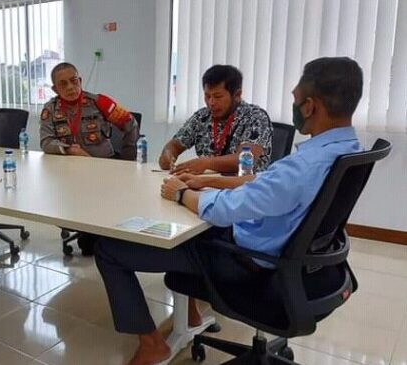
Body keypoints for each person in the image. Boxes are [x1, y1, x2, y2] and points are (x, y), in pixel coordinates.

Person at [95, 57, 363, 365]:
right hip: (302, 263)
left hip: (251, 262)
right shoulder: (345, 151)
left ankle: (153, 344)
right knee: (184, 224)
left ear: (309, 106)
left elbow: (224, 211)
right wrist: (208, 179)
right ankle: (191, 317)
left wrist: (182, 193)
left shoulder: (301, 162)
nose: (211, 102)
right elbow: (269, 183)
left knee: (111, 248)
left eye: (295, 98)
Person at [40, 62, 139, 255]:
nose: (70, 87)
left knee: (96, 237)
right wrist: (70, 150)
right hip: (71, 174)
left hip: (103, 170)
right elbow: (46, 142)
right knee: (88, 240)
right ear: (55, 88)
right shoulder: (50, 110)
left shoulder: (99, 102)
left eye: (74, 81)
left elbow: (130, 124)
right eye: (63, 84)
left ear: (80, 80)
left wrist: (127, 161)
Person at [158, 65, 273, 175]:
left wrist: (206, 163)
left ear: (237, 95)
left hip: (244, 189)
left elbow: (244, 159)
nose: (211, 103)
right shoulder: (201, 117)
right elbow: (174, 145)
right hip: (204, 186)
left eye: (218, 97)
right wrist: (168, 155)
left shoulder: (256, 117)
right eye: (207, 96)